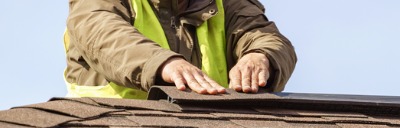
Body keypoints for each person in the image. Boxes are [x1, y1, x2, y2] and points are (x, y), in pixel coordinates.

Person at [65, 0, 297, 99]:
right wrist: (163, 64)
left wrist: (260, 56)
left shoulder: (227, 3)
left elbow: (261, 34)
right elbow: (101, 32)